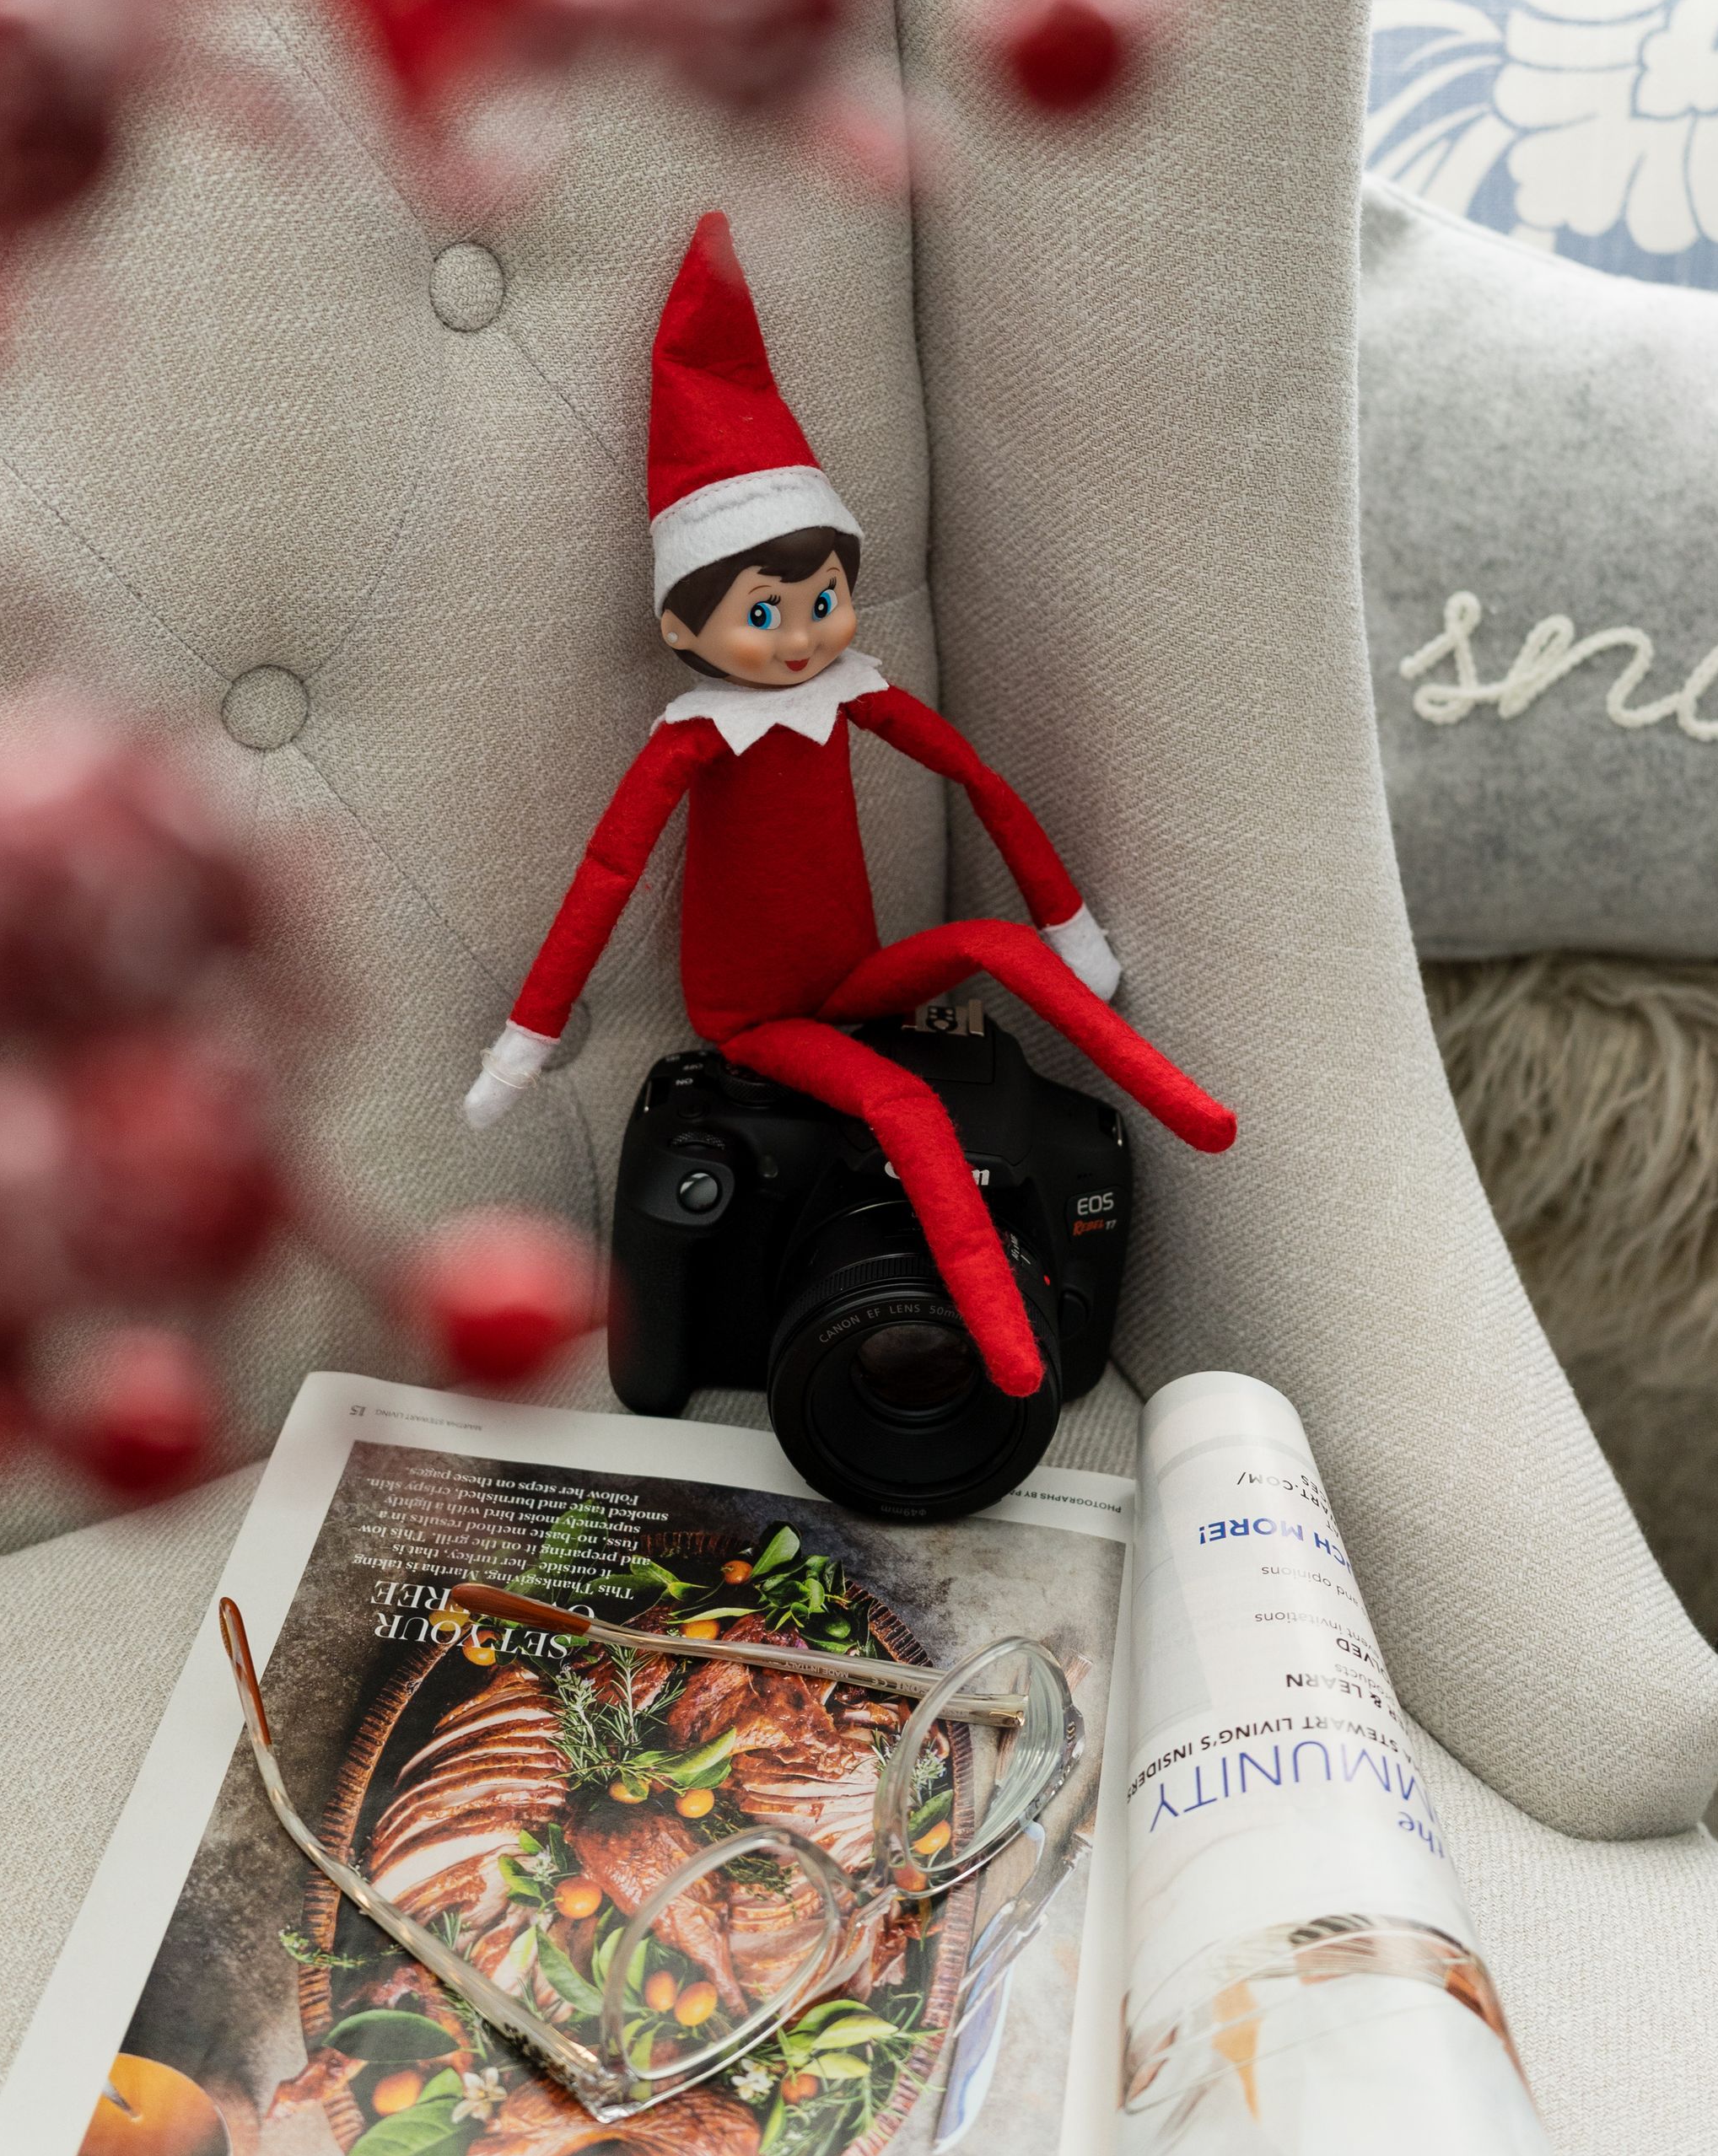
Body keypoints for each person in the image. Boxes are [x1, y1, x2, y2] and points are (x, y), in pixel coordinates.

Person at [465, 210, 1236, 1396]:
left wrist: (1068, 929)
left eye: (823, 601)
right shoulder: (695, 739)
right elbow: (605, 879)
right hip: (754, 1015)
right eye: (763, 614)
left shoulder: (855, 695)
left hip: (857, 973)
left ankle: (1188, 1109)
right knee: (902, 1106)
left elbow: (976, 776)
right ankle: (1009, 1361)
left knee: (992, 948)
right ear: (681, 623)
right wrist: (523, 1049)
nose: (801, 637)